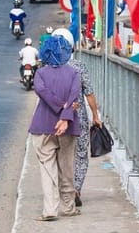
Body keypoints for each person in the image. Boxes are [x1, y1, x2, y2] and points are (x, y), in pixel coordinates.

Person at [28, 33, 82, 222]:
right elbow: (75, 97)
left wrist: (59, 108)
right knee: (67, 169)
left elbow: (41, 91)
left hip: (42, 126)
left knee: (47, 169)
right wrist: (66, 116)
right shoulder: (74, 73)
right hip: (67, 128)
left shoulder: (40, 74)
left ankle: (50, 209)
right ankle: (68, 207)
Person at [52, 28, 102, 208]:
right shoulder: (79, 67)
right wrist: (95, 115)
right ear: (72, 47)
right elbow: (89, 93)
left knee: (60, 153)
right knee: (80, 154)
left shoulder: (48, 68)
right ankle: (76, 189)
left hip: (55, 118)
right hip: (78, 117)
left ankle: (63, 189)